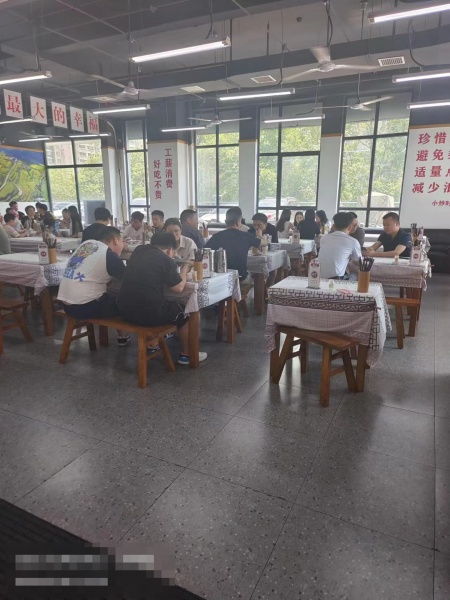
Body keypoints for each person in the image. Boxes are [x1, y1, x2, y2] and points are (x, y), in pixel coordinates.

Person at [118, 232, 207, 365]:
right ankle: (187, 355)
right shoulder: (164, 259)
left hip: (124, 309)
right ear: (170, 250)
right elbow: (179, 288)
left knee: (159, 301)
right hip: (146, 314)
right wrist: (185, 270)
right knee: (186, 311)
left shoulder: (139, 250)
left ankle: (152, 344)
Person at [57, 226, 130, 346]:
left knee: (111, 294)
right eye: (123, 241)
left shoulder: (87, 244)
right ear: (115, 240)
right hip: (84, 307)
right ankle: (129, 337)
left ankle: (123, 335)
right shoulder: (109, 255)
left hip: (66, 304)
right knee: (126, 301)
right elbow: (129, 280)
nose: (124, 245)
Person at [205, 207, 261, 280]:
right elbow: (263, 243)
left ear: (226, 222)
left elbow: (204, 252)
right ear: (238, 222)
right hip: (240, 276)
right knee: (256, 275)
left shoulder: (216, 236)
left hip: (221, 277)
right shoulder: (246, 236)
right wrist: (260, 235)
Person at [319, 212, 362, 279]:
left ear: (333, 226)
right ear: (350, 227)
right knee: (356, 274)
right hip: (337, 280)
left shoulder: (323, 238)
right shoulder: (353, 241)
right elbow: (360, 263)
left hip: (320, 278)